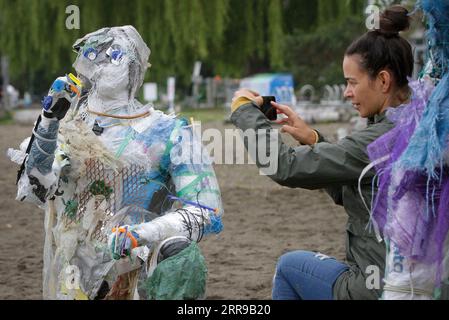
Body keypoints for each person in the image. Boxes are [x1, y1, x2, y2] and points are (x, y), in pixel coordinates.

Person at [8, 26, 223, 300]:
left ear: (134, 67)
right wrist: (49, 122)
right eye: (94, 54)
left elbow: (206, 209)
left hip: (135, 270)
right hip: (73, 270)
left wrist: (142, 233)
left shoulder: (169, 132)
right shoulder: (71, 127)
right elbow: (35, 189)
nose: (102, 62)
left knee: (182, 256)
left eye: (114, 55)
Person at [230, 6, 413, 300]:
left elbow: (283, 168)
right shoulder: (418, 124)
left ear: (382, 80)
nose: (346, 92)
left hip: (378, 286)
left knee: (289, 267)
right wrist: (313, 139)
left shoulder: (380, 138)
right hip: (414, 278)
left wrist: (243, 113)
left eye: (352, 82)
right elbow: (353, 184)